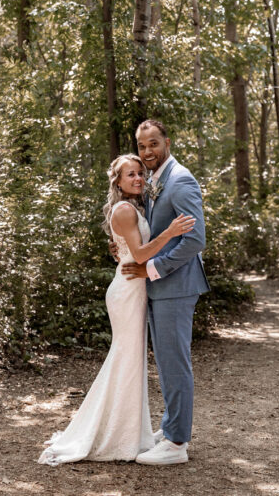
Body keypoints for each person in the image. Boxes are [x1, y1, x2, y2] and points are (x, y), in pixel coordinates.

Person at [38, 153, 195, 466]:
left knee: (130, 360)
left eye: (140, 173)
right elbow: (138, 255)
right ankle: (112, 434)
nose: (137, 178)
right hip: (127, 291)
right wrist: (170, 232)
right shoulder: (125, 209)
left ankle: (131, 431)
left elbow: (128, 248)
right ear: (118, 182)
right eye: (130, 175)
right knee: (125, 359)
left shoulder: (133, 206)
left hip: (135, 289)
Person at [118, 120, 210, 466]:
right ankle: (171, 425)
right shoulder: (156, 180)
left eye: (153, 144)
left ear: (167, 142)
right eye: (142, 147)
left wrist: (153, 268)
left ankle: (176, 444)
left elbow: (195, 239)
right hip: (161, 287)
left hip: (175, 285)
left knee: (175, 365)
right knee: (168, 364)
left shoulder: (181, 179)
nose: (147, 152)